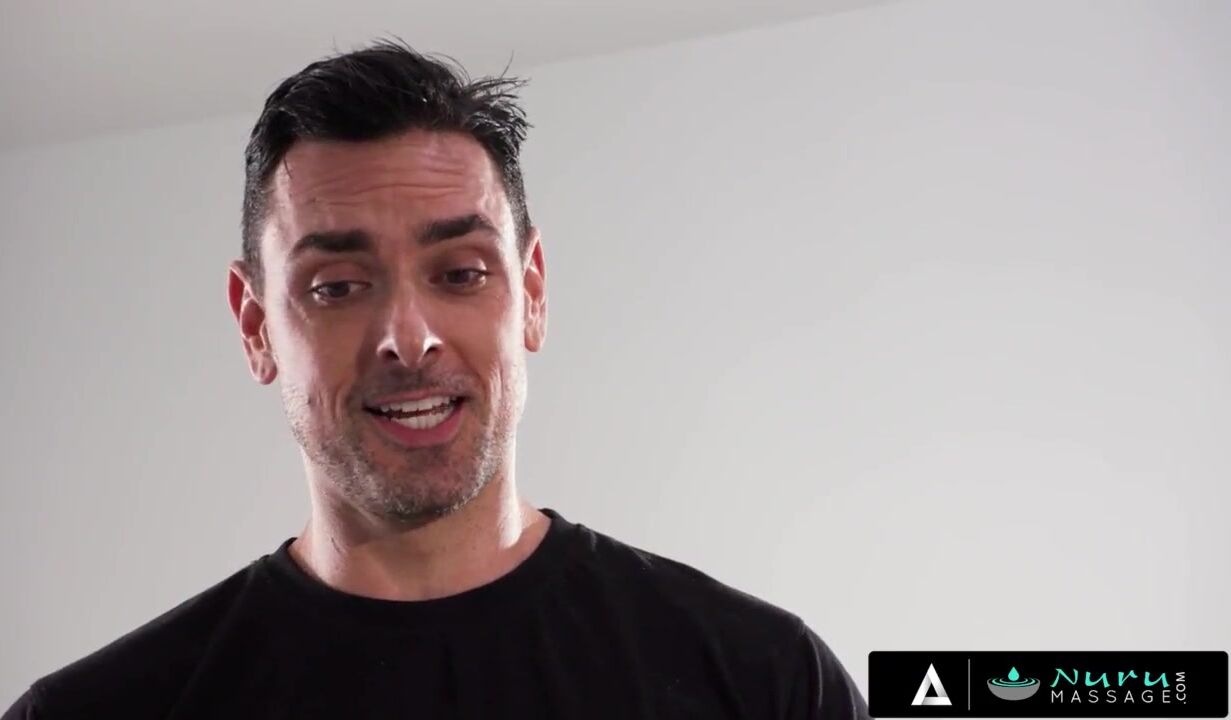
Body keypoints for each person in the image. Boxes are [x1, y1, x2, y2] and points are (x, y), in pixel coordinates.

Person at [2, 39, 869, 720]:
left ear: (531, 295)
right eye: (336, 287)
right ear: (255, 324)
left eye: (460, 274)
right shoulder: (94, 712)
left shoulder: (764, 681)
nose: (406, 339)